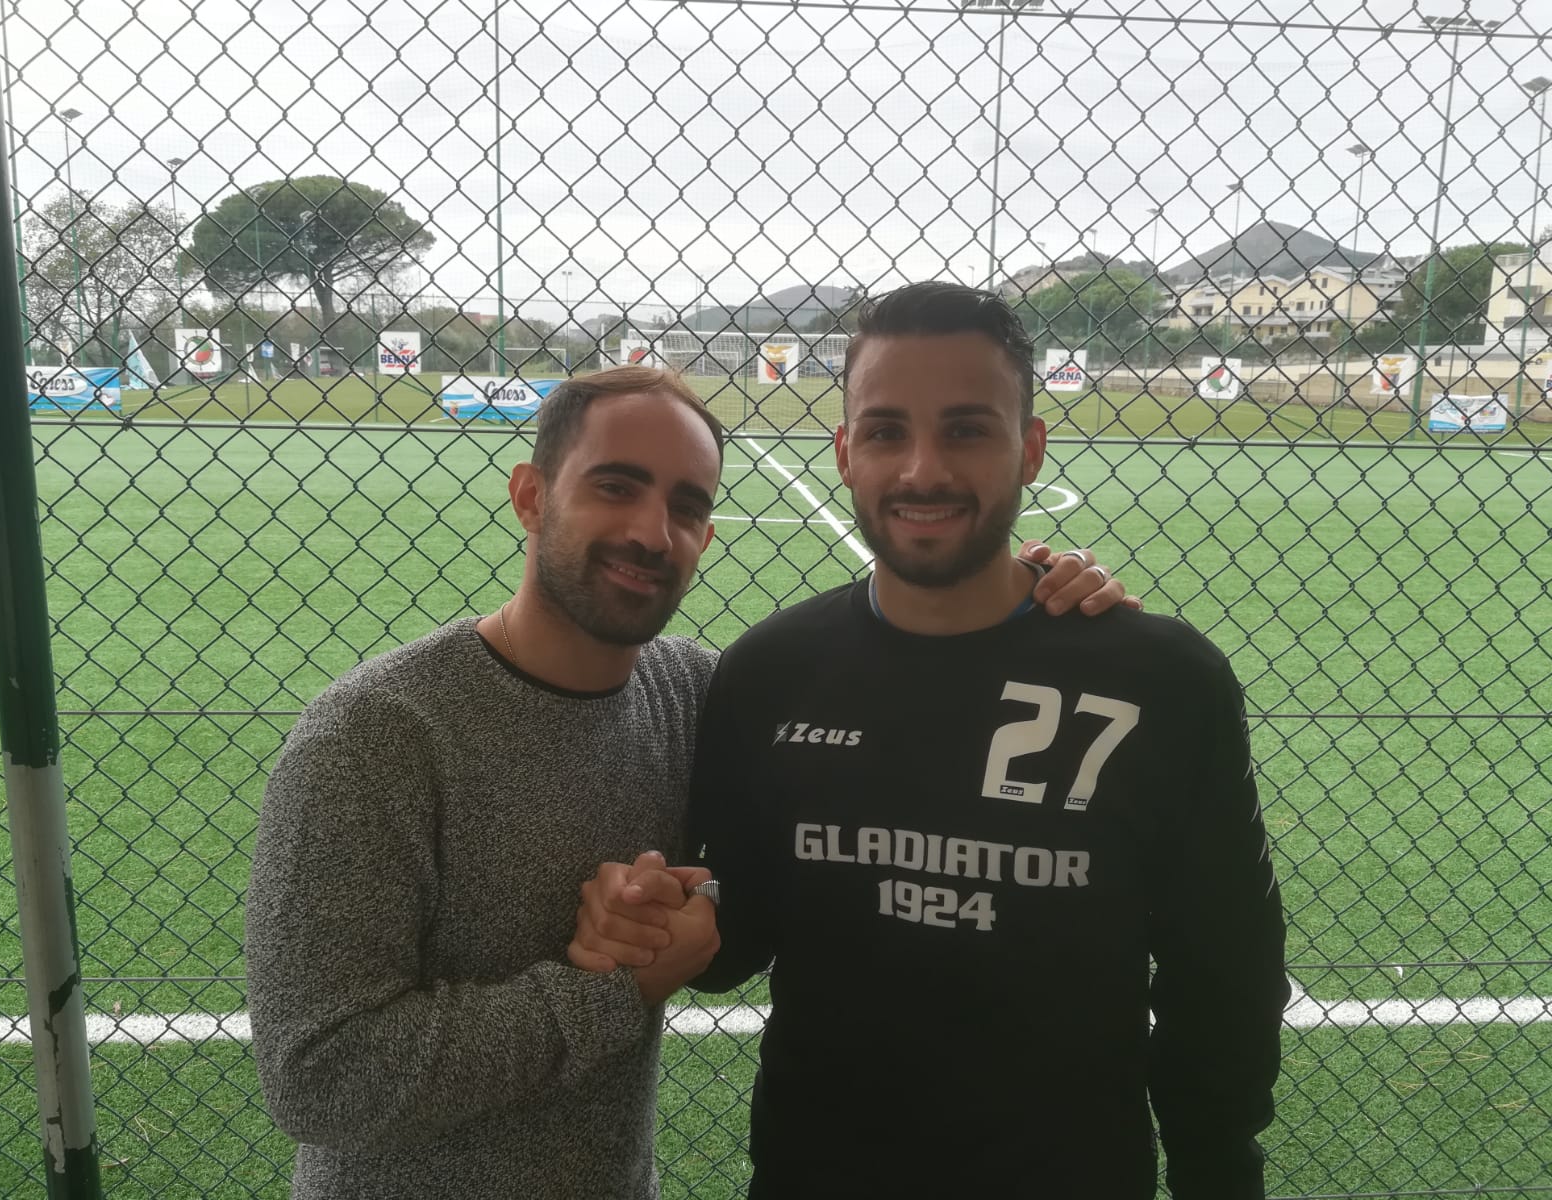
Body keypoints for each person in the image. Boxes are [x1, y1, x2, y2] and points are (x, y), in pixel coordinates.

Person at [244, 362, 1132, 1198]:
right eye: (615, 486)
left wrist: (1038, 600)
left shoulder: (700, 694)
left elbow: (796, 828)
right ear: (531, 495)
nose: (649, 532)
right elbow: (318, 1077)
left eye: (686, 505)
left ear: (705, 536)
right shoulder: (377, 735)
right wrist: (614, 987)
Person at [571, 284, 1290, 1199]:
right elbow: (741, 928)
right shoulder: (768, 672)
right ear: (843, 454)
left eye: (966, 429)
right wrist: (663, 916)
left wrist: (1217, 1167)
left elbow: (1224, 971)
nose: (921, 470)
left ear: (1029, 449)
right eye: (884, 432)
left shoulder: (1162, 681)